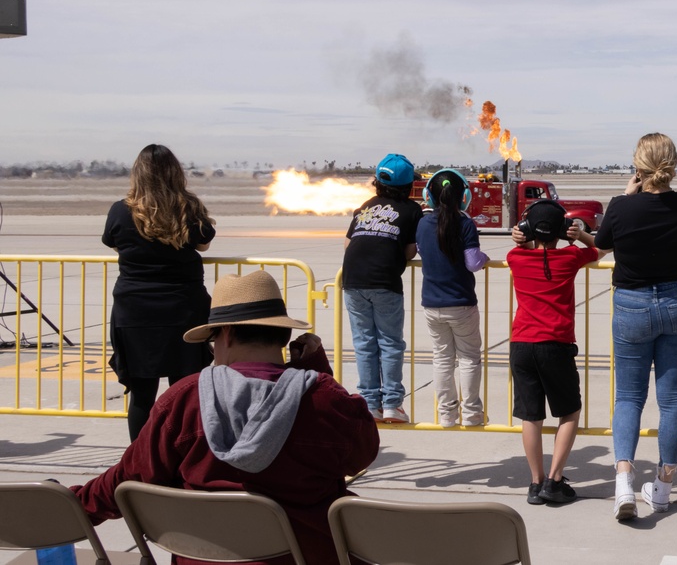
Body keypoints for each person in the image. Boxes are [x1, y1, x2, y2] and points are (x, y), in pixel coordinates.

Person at [72, 270, 380, 564]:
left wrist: (76, 507)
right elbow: (360, 456)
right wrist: (315, 374)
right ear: (285, 335)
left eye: (212, 341)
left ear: (227, 334)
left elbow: (129, 477)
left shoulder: (184, 399)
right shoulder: (325, 399)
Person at [594, 133, 677, 521]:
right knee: (672, 398)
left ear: (638, 166)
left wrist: (628, 198)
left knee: (628, 397)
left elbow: (602, 244)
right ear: (673, 163)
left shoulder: (622, 207)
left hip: (632, 303)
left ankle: (624, 482)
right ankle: (662, 487)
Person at [103, 144, 216, 442]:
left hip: (135, 311)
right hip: (182, 311)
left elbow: (114, 243)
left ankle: (139, 464)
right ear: (174, 172)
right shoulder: (188, 207)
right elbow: (203, 244)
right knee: (184, 393)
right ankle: (181, 457)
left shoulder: (121, 209)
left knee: (141, 395)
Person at [508, 200, 605, 505]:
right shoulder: (571, 257)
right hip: (556, 345)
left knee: (530, 415)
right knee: (569, 412)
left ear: (526, 230)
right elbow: (602, 248)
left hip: (521, 344)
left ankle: (535, 484)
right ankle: (555, 479)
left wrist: (520, 238)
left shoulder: (514, 257)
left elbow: (522, 247)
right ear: (562, 231)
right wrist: (579, 236)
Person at [343, 153, 423, 424]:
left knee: (364, 343)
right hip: (384, 281)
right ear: (408, 186)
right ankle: (392, 405)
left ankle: (368, 403)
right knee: (389, 342)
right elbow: (410, 252)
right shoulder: (412, 210)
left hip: (353, 280)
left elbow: (347, 244)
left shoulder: (364, 206)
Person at [416, 169, 489, 427]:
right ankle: (472, 414)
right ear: (464, 197)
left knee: (442, 358)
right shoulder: (466, 224)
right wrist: (485, 259)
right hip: (461, 304)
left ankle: (446, 414)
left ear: (429, 196)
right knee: (469, 358)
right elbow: (472, 262)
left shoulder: (423, 223)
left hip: (431, 305)